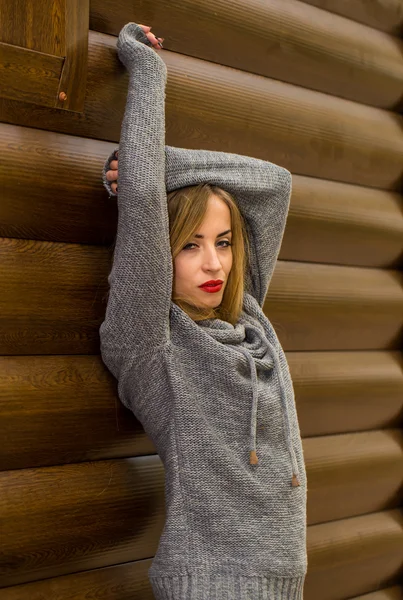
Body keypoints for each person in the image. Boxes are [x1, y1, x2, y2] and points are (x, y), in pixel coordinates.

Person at [101, 22, 308, 600]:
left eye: (223, 241)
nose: (213, 261)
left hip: (283, 584)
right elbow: (143, 206)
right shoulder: (152, 342)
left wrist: (170, 165)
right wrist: (147, 71)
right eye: (190, 244)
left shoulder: (248, 321)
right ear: (161, 253)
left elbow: (274, 184)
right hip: (209, 585)